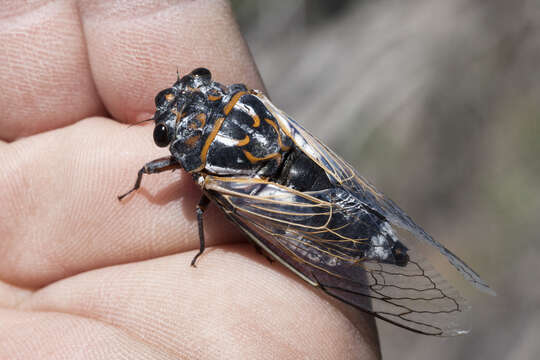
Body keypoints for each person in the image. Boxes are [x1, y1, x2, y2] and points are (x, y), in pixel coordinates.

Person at [0, 1, 379, 358]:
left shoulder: (204, 166)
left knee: (206, 212)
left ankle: (362, 228)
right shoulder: (247, 98)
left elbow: (202, 215)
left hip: (283, 196)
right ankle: (365, 221)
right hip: (301, 172)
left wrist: (205, 245)